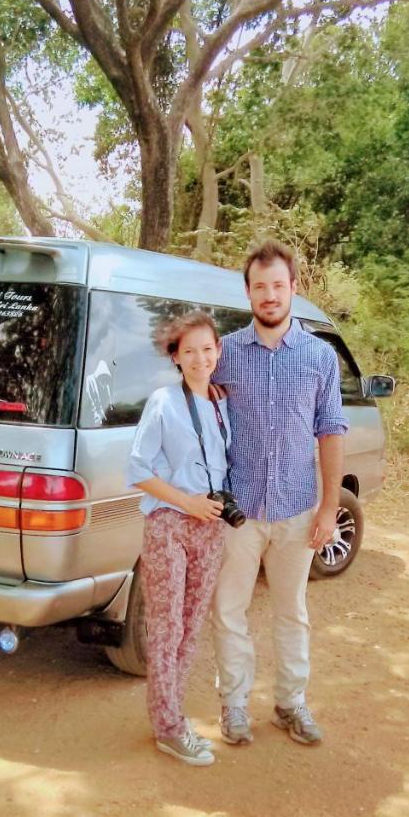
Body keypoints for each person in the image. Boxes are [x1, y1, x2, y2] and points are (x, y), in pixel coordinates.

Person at [211, 239, 347, 747]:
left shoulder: (320, 357)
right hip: (238, 512)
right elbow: (196, 412)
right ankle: (234, 706)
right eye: (259, 287)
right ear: (248, 293)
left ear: (293, 289)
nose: (269, 295)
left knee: (292, 612)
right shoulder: (223, 354)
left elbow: (331, 432)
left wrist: (330, 508)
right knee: (229, 611)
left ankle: (291, 703)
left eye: (278, 285)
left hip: (296, 508)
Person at [125, 310, 232, 767]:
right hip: (170, 523)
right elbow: (136, 470)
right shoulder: (164, 403)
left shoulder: (221, 402)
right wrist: (186, 503)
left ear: (218, 352)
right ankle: (168, 728)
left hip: (211, 526)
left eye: (207, 349)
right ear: (175, 356)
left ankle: (176, 717)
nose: (200, 358)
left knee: (190, 629)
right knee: (166, 628)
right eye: (189, 350)